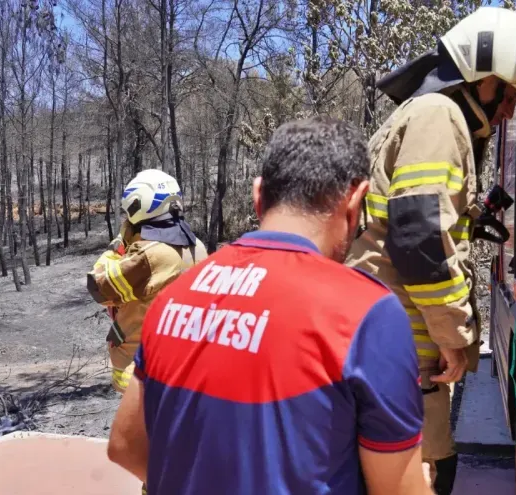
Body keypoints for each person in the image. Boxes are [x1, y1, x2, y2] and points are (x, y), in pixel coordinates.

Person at [107, 116, 433, 495]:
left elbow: (125, 446)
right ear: (356, 200)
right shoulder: (369, 313)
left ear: (258, 196)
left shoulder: (175, 296)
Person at [344, 6, 516, 494]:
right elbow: (419, 236)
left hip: (395, 347)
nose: (509, 111)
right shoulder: (440, 117)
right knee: (425, 476)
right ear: (484, 78)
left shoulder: (428, 115)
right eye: (510, 96)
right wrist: (453, 337)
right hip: (407, 353)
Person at [87, 168, 208, 394]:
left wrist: (117, 247)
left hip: (140, 373)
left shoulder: (148, 256)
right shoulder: (197, 247)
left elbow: (99, 287)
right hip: (182, 368)